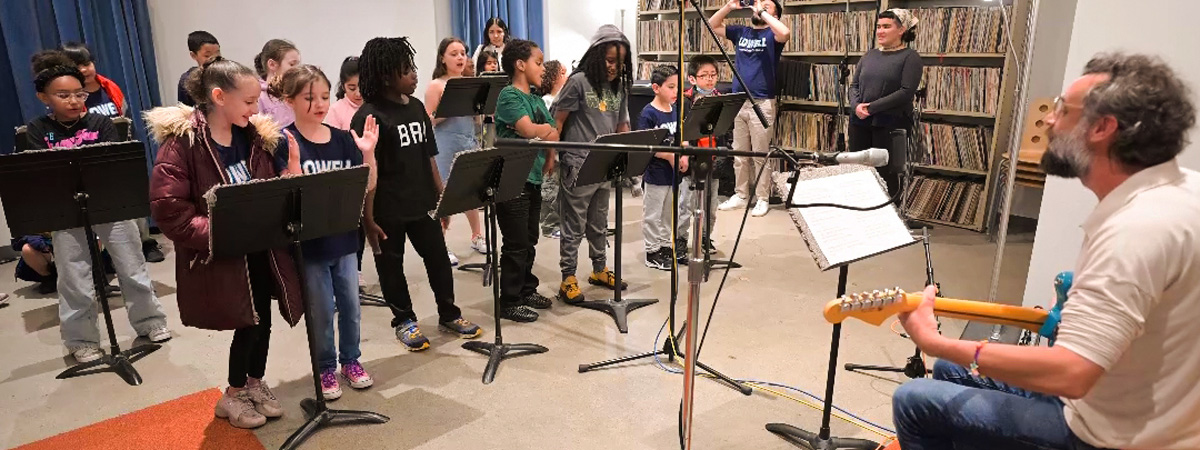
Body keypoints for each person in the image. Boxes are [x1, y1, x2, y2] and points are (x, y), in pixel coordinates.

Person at [892, 53, 1200, 450]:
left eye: (1061, 109)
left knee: (915, 400)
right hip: (1148, 404)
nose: (1049, 121)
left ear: (1103, 128)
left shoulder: (1135, 230)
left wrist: (934, 342)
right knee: (953, 367)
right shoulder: (1182, 189)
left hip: (1111, 435)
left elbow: (1072, 373)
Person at [146, 57, 303, 429]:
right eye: (249, 102)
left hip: (260, 249)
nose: (256, 108)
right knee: (245, 322)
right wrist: (222, 233)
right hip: (222, 253)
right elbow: (170, 212)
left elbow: (268, 189)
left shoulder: (254, 138)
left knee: (261, 320)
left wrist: (287, 178)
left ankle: (254, 382)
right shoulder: (182, 145)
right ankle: (232, 395)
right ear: (219, 96)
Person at [23, 51, 171, 364]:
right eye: (63, 95)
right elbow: (38, 174)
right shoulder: (36, 130)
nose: (74, 101)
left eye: (79, 94)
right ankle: (81, 340)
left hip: (110, 206)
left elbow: (114, 167)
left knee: (132, 268)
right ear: (43, 97)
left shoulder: (101, 123)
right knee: (74, 279)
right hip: (66, 213)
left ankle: (150, 323)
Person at [351, 37, 482, 352]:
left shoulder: (417, 109)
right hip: (386, 210)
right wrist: (367, 220)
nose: (414, 74)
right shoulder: (369, 117)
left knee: (437, 259)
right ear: (385, 75)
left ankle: (449, 313)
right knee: (391, 267)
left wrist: (443, 198)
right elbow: (366, 173)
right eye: (406, 69)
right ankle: (404, 320)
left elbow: (429, 157)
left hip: (423, 203)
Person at [272, 65, 379, 401]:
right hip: (310, 245)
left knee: (350, 304)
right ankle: (324, 367)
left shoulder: (344, 139)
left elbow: (368, 185)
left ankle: (351, 360)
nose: (319, 104)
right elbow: (286, 198)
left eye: (322, 96)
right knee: (320, 308)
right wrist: (291, 166)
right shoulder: (283, 141)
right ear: (289, 100)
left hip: (345, 239)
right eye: (309, 98)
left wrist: (368, 152)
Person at [60, 41, 167, 263]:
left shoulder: (110, 87)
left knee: (134, 201)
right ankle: (108, 254)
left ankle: (146, 242)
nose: (84, 69)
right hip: (92, 161)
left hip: (121, 155)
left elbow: (127, 119)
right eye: (77, 65)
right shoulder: (70, 100)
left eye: (87, 63)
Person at [550, 24, 633, 304]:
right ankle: (568, 277)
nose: (614, 67)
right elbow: (558, 122)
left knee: (598, 223)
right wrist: (551, 157)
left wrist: (628, 156)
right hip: (577, 164)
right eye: (610, 61)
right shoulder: (578, 82)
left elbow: (622, 124)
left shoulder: (619, 86)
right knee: (573, 225)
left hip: (605, 164)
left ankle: (599, 269)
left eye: (620, 63)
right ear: (596, 56)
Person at [493, 39, 558, 323]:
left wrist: (546, 145)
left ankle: (526, 288)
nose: (543, 69)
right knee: (516, 242)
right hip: (510, 179)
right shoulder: (509, 96)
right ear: (520, 65)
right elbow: (529, 128)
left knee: (530, 238)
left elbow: (552, 131)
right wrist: (539, 131)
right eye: (539, 62)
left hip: (531, 178)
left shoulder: (534, 99)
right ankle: (509, 300)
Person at [711, 0, 790, 217]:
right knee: (739, 153)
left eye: (768, 5)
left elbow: (785, 31)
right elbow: (712, 24)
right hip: (738, 101)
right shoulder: (741, 32)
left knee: (760, 154)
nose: (760, 6)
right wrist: (729, 6)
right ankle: (741, 194)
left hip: (762, 102)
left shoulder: (773, 37)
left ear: (774, 13)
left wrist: (763, 13)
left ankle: (762, 197)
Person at [850, 9, 922, 200]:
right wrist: (856, 106)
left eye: (886, 27)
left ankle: (886, 219)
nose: (880, 31)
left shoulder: (910, 57)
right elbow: (854, 85)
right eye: (879, 27)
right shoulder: (869, 55)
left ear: (901, 30)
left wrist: (871, 108)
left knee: (887, 174)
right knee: (857, 171)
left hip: (891, 124)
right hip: (860, 122)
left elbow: (906, 92)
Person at [426, 37, 486, 266]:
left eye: (463, 53)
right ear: (443, 57)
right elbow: (428, 120)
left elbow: (474, 117)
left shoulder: (468, 83)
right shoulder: (436, 85)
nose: (460, 57)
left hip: (467, 140)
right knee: (444, 196)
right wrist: (448, 109)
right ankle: (441, 243)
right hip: (445, 144)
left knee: (471, 191)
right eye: (454, 53)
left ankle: (477, 235)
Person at [638, 65, 689, 271]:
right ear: (656, 88)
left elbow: (681, 137)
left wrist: (683, 154)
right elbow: (646, 146)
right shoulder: (648, 113)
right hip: (656, 174)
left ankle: (667, 246)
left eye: (677, 87)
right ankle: (652, 252)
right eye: (671, 87)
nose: (676, 91)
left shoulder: (675, 110)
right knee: (653, 214)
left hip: (673, 174)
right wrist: (669, 156)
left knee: (670, 213)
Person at [684, 55, 724, 252]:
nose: (710, 79)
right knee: (687, 205)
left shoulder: (721, 99)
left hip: (713, 158)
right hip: (692, 159)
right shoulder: (685, 101)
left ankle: (706, 238)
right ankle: (682, 241)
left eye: (713, 75)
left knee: (711, 206)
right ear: (692, 79)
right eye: (704, 75)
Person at [538, 59, 567, 239]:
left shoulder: (565, 100)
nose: (567, 77)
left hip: (563, 154)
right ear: (552, 78)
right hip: (550, 155)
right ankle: (549, 225)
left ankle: (560, 222)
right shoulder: (547, 101)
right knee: (550, 192)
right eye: (563, 73)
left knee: (561, 192)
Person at [254, 39, 301, 127]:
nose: (297, 69)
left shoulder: (295, 92)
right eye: (292, 64)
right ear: (272, 64)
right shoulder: (258, 95)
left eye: (297, 64)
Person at [178, 30, 220, 106]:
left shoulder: (227, 74)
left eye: (217, 54)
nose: (214, 59)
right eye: (207, 56)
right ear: (193, 55)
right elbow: (185, 110)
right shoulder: (187, 80)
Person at [325, 56, 362, 131]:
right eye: (352, 88)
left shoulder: (375, 106)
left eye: (363, 87)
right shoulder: (336, 110)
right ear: (343, 86)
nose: (358, 93)